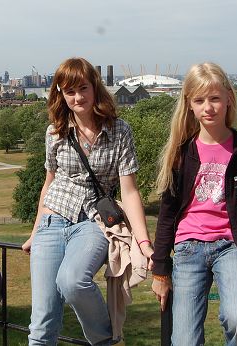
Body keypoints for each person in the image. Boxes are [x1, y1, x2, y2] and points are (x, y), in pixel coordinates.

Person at [22, 57, 154, 346]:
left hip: (94, 221)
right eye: (70, 91)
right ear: (61, 94)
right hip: (52, 220)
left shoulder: (119, 131)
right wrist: (35, 231)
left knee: (72, 281)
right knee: (42, 320)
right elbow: (49, 183)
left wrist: (144, 242)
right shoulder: (55, 132)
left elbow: (129, 191)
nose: (78, 97)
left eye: (83, 88)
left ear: (95, 88)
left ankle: (106, 340)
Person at [150, 63, 237, 346]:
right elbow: (167, 214)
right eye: (199, 100)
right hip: (188, 246)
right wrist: (160, 269)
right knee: (184, 339)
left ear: (229, 98)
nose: (208, 107)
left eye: (215, 98)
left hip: (231, 246)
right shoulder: (181, 153)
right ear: (189, 105)